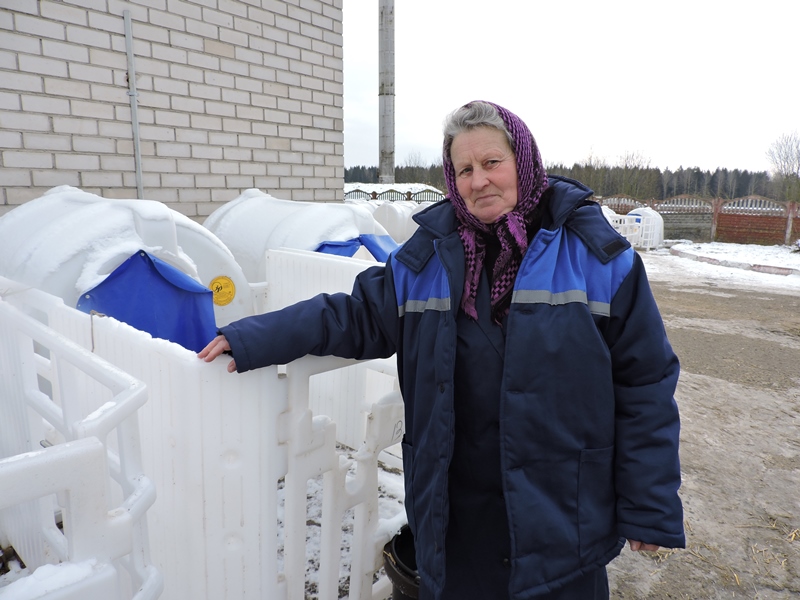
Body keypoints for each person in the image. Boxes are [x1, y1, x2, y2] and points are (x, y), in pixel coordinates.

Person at [199, 101, 685, 599]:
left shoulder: (597, 258)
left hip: (561, 517)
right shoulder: (427, 257)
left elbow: (644, 381)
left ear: (524, 161)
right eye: (465, 170)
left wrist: (649, 503)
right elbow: (354, 314)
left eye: (492, 162)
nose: (479, 181)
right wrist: (253, 336)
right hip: (456, 523)